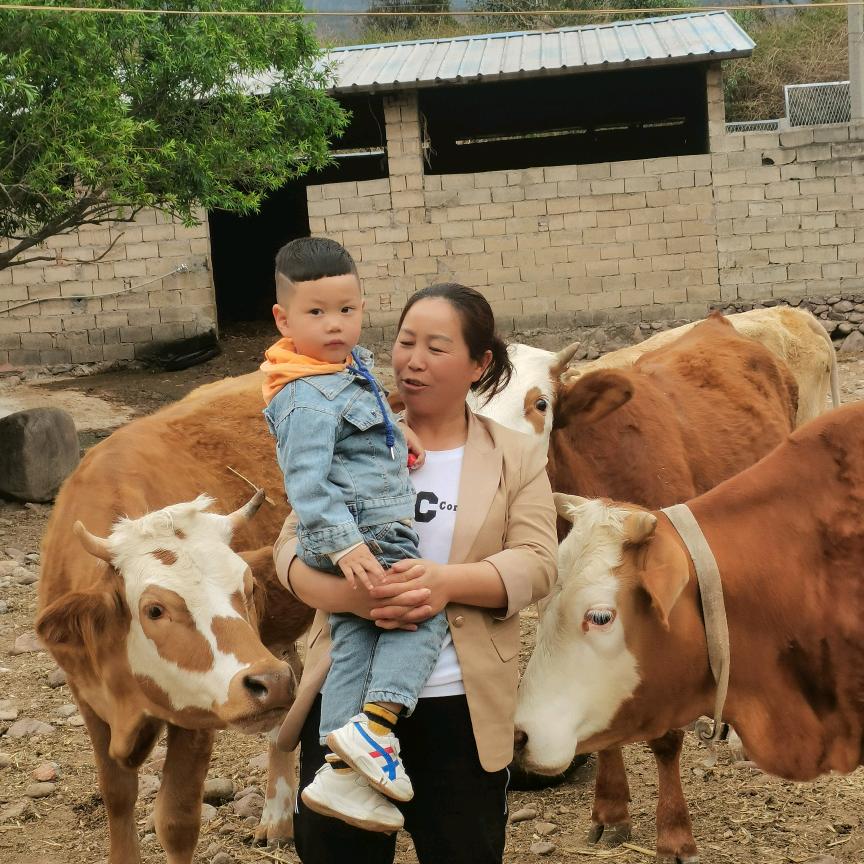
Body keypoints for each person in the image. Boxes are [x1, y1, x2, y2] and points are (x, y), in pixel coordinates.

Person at [274, 282, 559, 864]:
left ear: (480, 365)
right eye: (405, 342)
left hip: (459, 704)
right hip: (347, 701)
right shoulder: (349, 428)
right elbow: (288, 550)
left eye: (436, 347)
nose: (414, 362)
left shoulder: (516, 454)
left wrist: (446, 583)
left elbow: (538, 563)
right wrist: (354, 598)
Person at [262, 237, 447, 833]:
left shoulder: (343, 366)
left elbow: (363, 416)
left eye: (348, 309)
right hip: (360, 530)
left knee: (355, 637)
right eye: (316, 313)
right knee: (421, 611)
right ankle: (376, 727)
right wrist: (347, 545)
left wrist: (399, 432)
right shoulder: (302, 397)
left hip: (360, 526)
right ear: (283, 319)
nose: (335, 325)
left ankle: (339, 775)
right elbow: (306, 485)